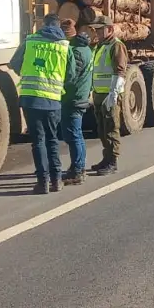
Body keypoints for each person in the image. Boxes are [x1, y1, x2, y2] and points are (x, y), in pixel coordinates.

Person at [9, 13, 76, 195]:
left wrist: (28, 70)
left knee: (37, 141)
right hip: (52, 100)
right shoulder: (64, 46)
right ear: (58, 26)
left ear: (43, 25)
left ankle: (42, 182)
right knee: (52, 140)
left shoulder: (30, 41)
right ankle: (56, 181)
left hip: (30, 98)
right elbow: (71, 74)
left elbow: (13, 63)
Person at [87, 15, 128, 176]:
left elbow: (120, 71)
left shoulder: (116, 46)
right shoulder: (100, 46)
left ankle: (113, 161)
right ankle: (106, 158)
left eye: (99, 29)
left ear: (109, 29)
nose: (96, 32)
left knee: (111, 127)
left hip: (110, 94)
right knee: (102, 128)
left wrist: (114, 93)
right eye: (95, 29)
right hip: (99, 93)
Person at [58, 19, 93, 186]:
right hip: (78, 96)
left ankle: (78, 170)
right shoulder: (83, 48)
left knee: (74, 134)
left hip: (74, 97)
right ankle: (77, 167)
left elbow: (71, 76)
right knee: (74, 133)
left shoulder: (76, 51)